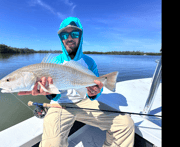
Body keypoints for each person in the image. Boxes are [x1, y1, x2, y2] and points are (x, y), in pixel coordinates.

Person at [18, 17, 134, 147]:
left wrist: (94, 92)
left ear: (81, 36)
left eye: (74, 34)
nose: (69, 38)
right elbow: (54, 94)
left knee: (126, 124)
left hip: (84, 102)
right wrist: (50, 93)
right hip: (60, 105)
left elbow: (96, 86)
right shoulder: (54, 62)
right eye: (64, 34)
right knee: (51, 144)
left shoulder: (89, 62)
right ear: (61, 38)